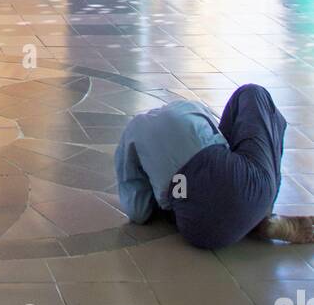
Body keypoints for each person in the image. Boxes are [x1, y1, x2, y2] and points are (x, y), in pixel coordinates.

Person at [115, 85, 314, 249]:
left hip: (197, 231)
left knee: (179, 193)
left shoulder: (131, 132)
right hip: (242, 184)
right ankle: (261, 216)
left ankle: (243, 218)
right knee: (252, 93)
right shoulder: (190, 108)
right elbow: (225, 145)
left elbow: (138, 212)